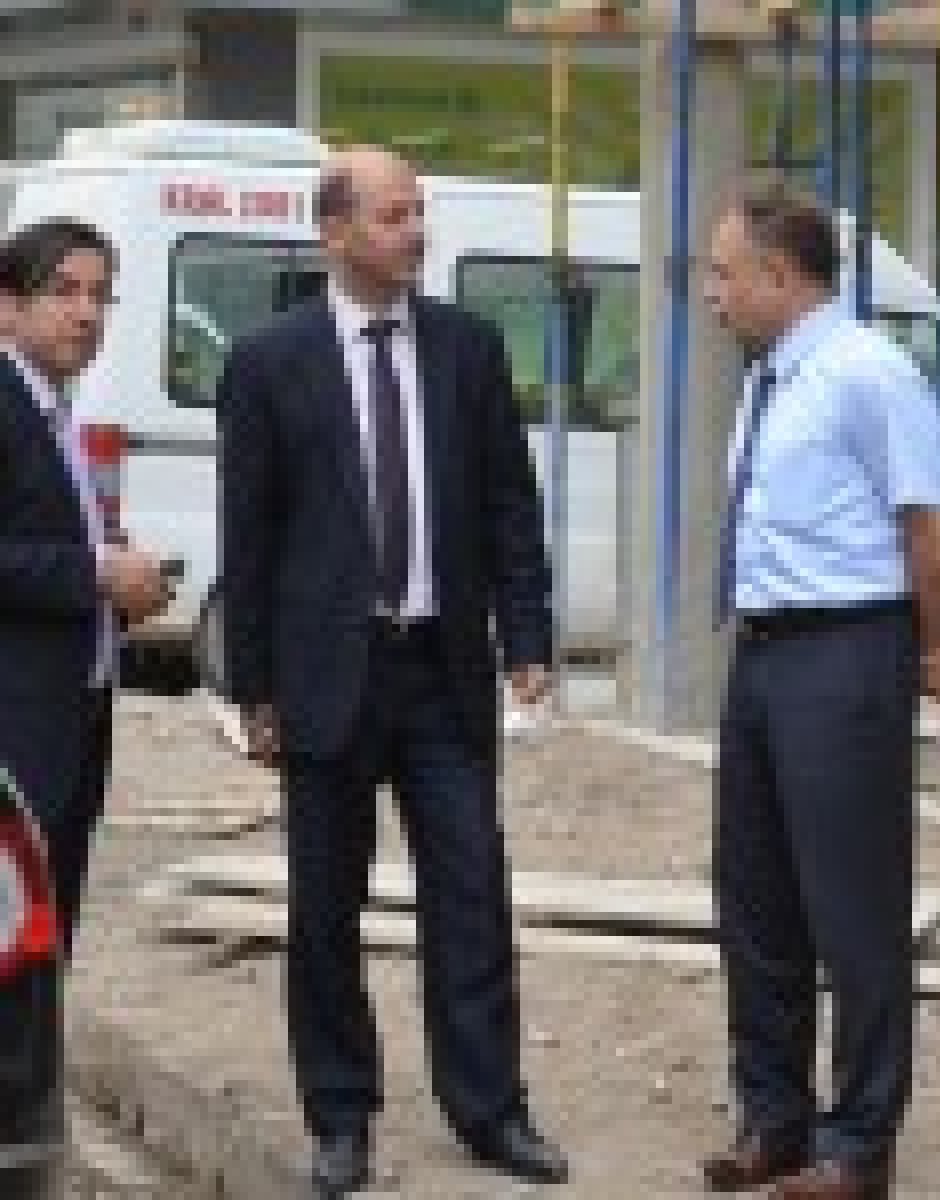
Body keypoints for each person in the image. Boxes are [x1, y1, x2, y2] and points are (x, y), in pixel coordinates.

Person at [217, 148, 567, 1197]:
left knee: (471, 895)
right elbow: (249, 535)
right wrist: (254, 689)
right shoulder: (270, 362)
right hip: (327, 675)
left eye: (420, 212)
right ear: (334, 233)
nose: (415, 231)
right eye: (392, 215)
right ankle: (340, 1117)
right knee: (325, 909)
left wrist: (529, 637)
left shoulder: (467, 349)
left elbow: (508, 504)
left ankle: (490, 1111)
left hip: (440, 673)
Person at [698, 181, 940, 1200]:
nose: (713, 294)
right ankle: (775, 1120)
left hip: (845, 653)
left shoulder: (868, 373)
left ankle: (858, 1145)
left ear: (778, 275)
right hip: (764, 654)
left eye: (724, 274)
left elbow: (933, 536)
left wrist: (932, 651)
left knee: (853, 910)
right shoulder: (770, 380)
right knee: (755, 899)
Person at [0, 219, 172, 953]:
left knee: (44, 943)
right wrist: (96, 571)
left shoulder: (55, 408)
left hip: (72, 720)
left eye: (101, 295)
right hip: (16, 732)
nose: (86, 313)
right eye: (64, 292)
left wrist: (123, 579)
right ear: (8, 305)